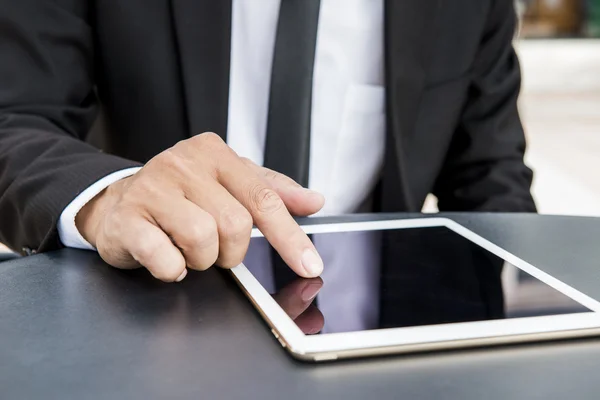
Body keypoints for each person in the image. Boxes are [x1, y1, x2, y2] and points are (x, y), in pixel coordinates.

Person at [0, 0, 535, 283]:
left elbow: (492, 181)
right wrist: (111, 195)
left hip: (378, 346)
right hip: (155, 320)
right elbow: (15, 116)